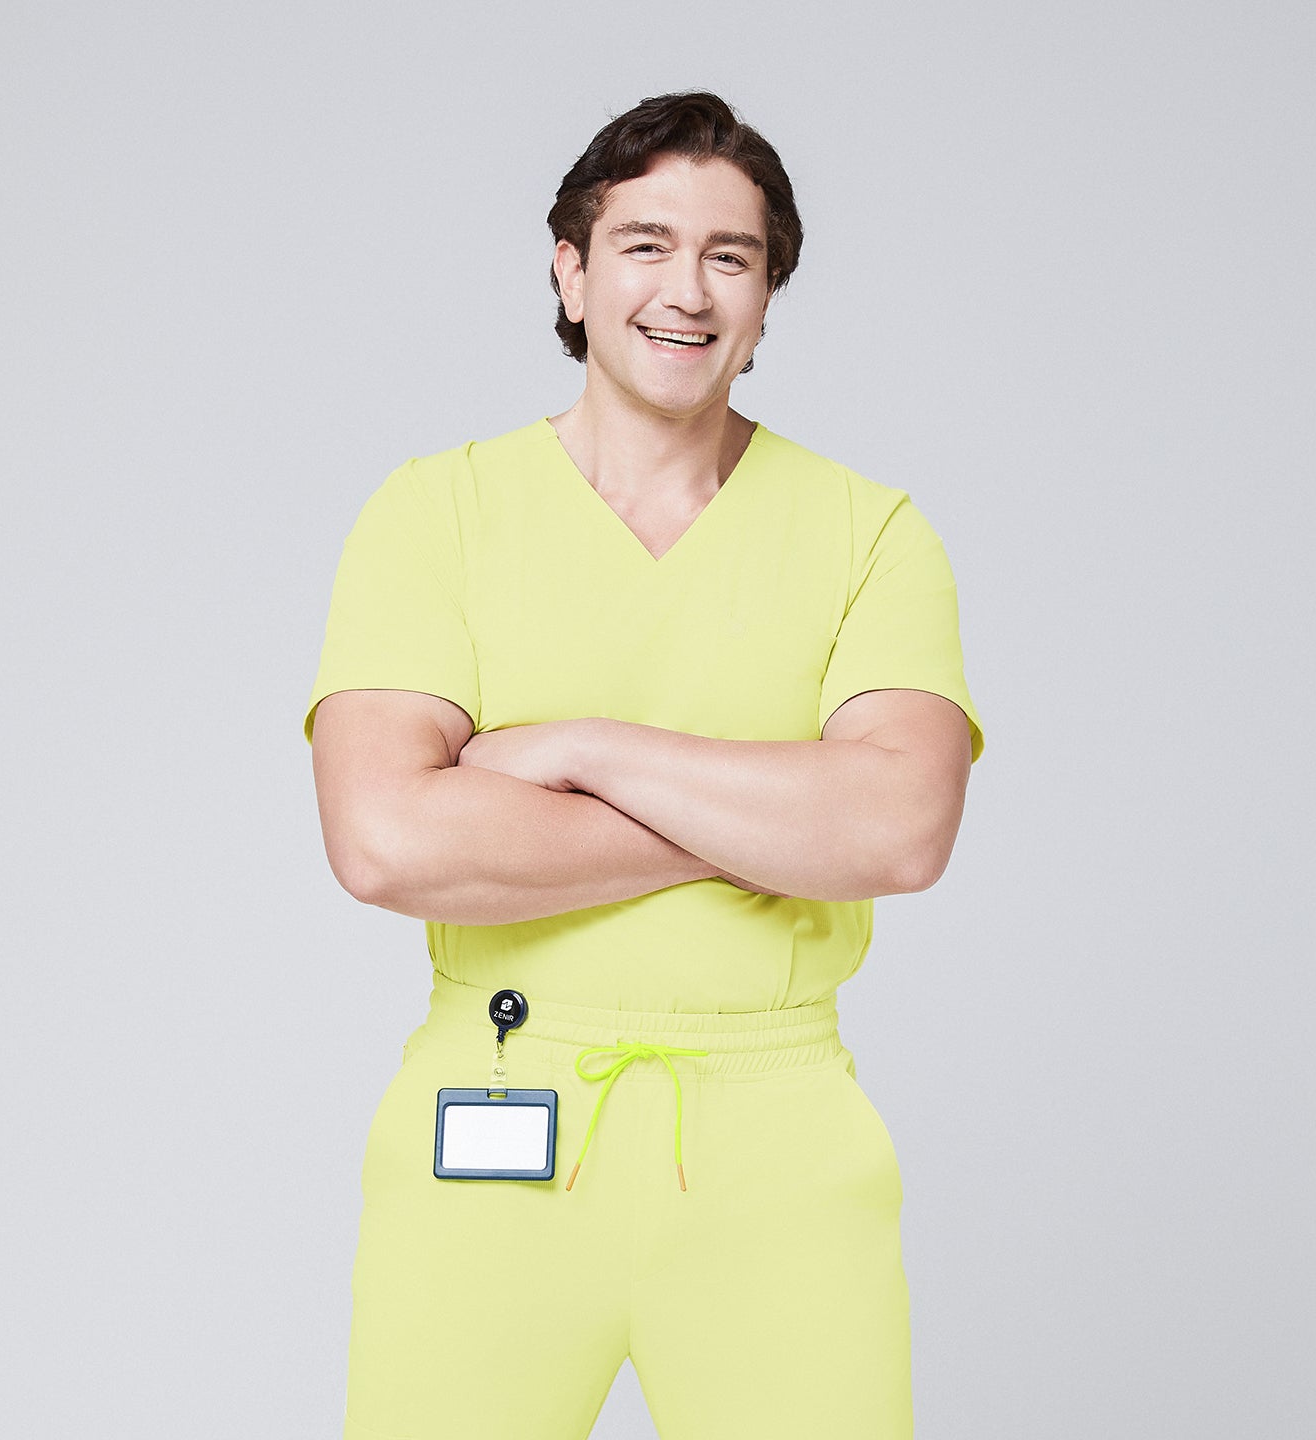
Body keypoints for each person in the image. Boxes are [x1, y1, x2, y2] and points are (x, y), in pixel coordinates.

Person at [305, 90, 983, 1440]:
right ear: (571, 268)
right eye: (646, 244)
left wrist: (582, 750)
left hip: (779, 1142)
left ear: (770, 294)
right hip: (490, 1121)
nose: (688, 290)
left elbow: (900, 829)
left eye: (730, 256)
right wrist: (773, 812)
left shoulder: (868, 531)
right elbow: (386, 840)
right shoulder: (436, 513)